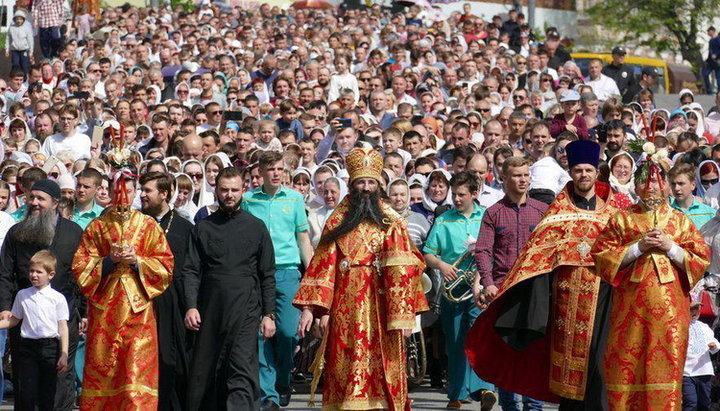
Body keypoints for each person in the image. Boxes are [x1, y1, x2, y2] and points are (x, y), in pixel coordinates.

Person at [467, 140, 625, 409]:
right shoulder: (557, 211)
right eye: (578, 170)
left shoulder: (613, 213)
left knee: (598, 367)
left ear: (596, 173)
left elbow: (623, 254)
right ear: (571, 173)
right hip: (563, 302)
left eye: (588, 170)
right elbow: (536, 256)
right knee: (564, 370)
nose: (583, 175)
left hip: (603, 299)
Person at [294, 147, 428, 410]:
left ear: (378, 185)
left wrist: (404, 316)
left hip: (383, 310)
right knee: (345, 365)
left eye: (371, 182)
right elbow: (323, 265)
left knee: (384, 369)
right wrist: (312, 309)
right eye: (361, 182)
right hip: (346, 307)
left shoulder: (392, 221)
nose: (366, 188)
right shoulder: (338, 220)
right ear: (352, 185)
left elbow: (409, 265)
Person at [592, 152, 710, 410]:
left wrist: (670, 247)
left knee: (666, 371)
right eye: (645, 181)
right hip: (629, 312)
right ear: (636, 186)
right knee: (627, 368)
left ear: (666, 185)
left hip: (670, 314)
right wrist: (637, 247)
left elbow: (701, 259)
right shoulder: (622, 219)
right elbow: (600, 257)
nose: (651, 187)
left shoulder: (680, 221)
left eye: (657, 181)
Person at [72, 169, 174, 409]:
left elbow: (165, 265)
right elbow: (80, 264)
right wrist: (108, 261)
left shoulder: (148, 225)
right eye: (119, 191)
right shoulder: (97, 227)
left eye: (128, 191)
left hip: (138, 310)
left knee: (136, 369)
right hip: (105, 308)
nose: (123, 197)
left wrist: (136, 260)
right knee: (104, 367)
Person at [183, 166, 277, 410]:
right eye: (224, 190)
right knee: (208, 370)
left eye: (235, 190)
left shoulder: (256, 227)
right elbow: (191, 270)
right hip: (210, 307)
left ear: (243, 190)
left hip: (246, 307)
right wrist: (191, 306)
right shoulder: (203, 228)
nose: (229, 195)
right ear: (216, 190)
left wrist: (268, 314)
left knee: (241, 368)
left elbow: (267, 274)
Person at [472, 156, 547, 410]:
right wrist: (488, 282)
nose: (523, 179)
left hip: (535, 290)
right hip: (504, 291)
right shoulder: (494, 212)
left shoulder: (541, 211)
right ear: (504, 178)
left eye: (526, 174)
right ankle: (508, 406)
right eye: (517, 175)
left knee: (533, 351)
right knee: (506, 353)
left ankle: (533, 407)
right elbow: (483, 250)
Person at [0, 178, 82, 410]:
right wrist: (5, 307)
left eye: (40, 199)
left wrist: (83, 312)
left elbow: (82, 274)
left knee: (60, 381)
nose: (34, 203)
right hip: (26, 322)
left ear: (55, 203)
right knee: (26, 385)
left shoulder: (73, 232)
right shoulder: (17, 233)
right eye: (31, 197)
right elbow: (5, 273)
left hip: (62, 320)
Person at [241, 151, 313, 410]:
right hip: (257, 273)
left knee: (287, 333)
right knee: (260, 335)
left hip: (286, 271)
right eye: (271, 169)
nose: (276, 173)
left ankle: (284, 380)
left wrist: (312, 274)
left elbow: (303, 239)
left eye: (280, 169)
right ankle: (268, 393)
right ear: (261, 171)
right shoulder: (248, 199)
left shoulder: (294, 199)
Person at [423, 171, 496, 410]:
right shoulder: (443, 220)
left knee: (480, 337)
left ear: (474, 194)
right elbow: (429, 253)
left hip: (480, 286)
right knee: (455, 341)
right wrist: (442, 265)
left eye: (461, 195)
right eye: (454, 195)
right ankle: (456, 394)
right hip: (453, 288)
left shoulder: (486, 216)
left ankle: (484, 388)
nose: (456, 199)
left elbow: (495, 248)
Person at [139, 172, 194, 411]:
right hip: (141, 302)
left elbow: (190, 269)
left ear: (164, 194)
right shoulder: (135, 224)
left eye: (147, 191)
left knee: (172, 361)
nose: (142, 195)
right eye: (141, 190)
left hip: (173, 302)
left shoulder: (184, 227)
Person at [0, 250, 69, 411]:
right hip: (28, 348)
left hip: (49, 347)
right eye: (31, 271)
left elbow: (63, 327)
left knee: (47, 392)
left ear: (50, 274)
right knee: (27, 391)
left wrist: (64, 353)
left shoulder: (57, 298)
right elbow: (14, 320)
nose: (34, 275)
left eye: (39, 272)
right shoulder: (22, 295)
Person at [682, 300, 719, 411]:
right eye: (692, 309)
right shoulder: (681, 326)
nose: (695, 312)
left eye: (697, 309)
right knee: (690, 403)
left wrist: (714, 346)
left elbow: (714, 341)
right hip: (687, 372)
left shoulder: (705, 327)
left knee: (704, 403)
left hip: (704, 370)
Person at [668, 164, 715, 229]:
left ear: (693, 185)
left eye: (681, 183)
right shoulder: (666, 212)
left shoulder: (710, 213)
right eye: (673, 184)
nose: (676, 188)